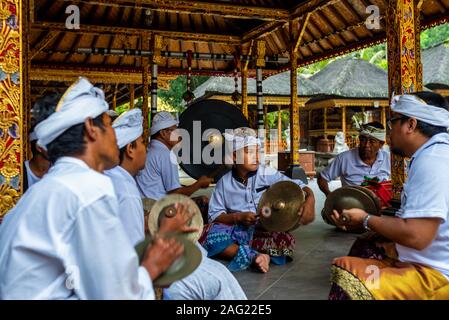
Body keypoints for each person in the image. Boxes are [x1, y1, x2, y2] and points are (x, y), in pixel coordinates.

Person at [0, 77, 183, 299]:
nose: (115, 135)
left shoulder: (52, 187)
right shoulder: (85, 189)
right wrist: (153, 264)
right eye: (107, 124)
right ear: (91, 128)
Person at [105, 109, 247, 300]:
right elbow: (134, 250)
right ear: (130, 149)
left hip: (153, 219)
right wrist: (197, 186)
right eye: (140, 143)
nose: (144, 148)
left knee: (209, 263)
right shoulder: (160, 157)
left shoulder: (119, 178)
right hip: (140, 267)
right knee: (217, 276)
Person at [328, 91, 449, 300]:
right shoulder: (432, 154)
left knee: (348, 276)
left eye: (393, 123)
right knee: (366, 245)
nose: (389, 133)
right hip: (429, 256)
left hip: (435, 272)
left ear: (410, 125)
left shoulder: (433, 161)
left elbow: (417, 236)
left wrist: (365, 218)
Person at [200, 127, 316, 273]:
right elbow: (215, 216)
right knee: (209, 234)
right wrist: (238, 217)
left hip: (263, 230)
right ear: (235, 156)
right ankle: (256, 257)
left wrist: (310, 200)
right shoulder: (224, 182)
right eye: (249, 152)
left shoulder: (266, 173)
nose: (256, 157)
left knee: (284, 241)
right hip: (235, 231)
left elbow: (300, 186)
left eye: (257, 151)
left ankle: (250, 254)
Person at [136, 111, 213, 217]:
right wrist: (198, 184)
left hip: (144, 206)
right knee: (203, 202)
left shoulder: (150, 149)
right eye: (175, 130)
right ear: (163, 133)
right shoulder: (165, 154)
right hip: (156, 209)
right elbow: (174, 194)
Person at [318, 121, 390, 196]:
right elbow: (323, 177)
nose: (366, 145)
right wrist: (329, 195)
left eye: (372, 141)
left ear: (381, 144)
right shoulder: (344, 158)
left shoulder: (389, 159)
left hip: (381, 205)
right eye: (363, 140)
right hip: (351, 205)